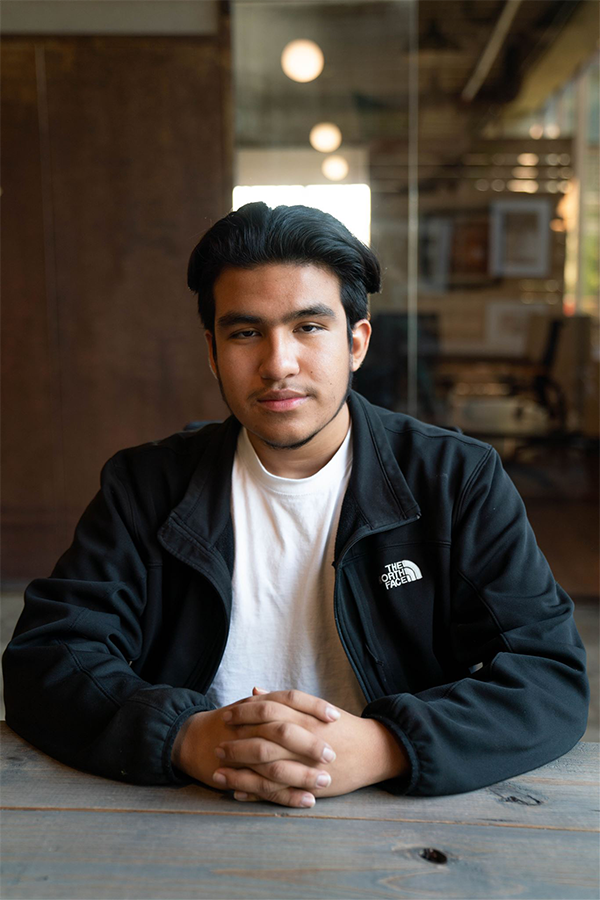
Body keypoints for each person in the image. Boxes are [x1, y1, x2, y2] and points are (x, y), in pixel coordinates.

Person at [2, 202, 588, 809]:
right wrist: (181, 736)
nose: (278, 364)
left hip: (398, 819)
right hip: (184, 808)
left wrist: (385, 745)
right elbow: (46, 657)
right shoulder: (145, 486)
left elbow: (548, 676)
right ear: (212, 351)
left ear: (356, 342)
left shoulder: (455, 479)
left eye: (309, 327)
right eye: (246, 332)